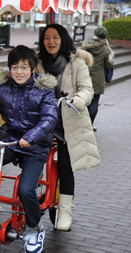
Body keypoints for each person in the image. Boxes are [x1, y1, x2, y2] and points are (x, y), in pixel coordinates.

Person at [0, 45, 58, 253]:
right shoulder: (4, 89)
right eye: (15, 67)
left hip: (35, 145)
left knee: (26, 189)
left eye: (24, 67)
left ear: (33, 69)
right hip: (10, 141)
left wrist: (31, 136)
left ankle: (33, 228)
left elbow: (49, 119)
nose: (19, 72)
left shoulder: (44, 90)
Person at [36, 23, 100, 231]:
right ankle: (32, 198)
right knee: (33, 159)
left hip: (67, 121)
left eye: (55, 37)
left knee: (65, 165)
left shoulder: (77, 63)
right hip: (43, 121)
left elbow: (87, 89)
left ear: (63, 39)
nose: (51, 41)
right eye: (46, 38)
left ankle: (65, 212)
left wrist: (79, 99)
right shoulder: (37, 63)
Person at [82, 25, 114, 127]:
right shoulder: (105, 49)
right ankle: (90, 125)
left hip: (84, 77)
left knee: (84, 101)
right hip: (98, 79)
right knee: (94, 102)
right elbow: (108, 65)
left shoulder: (85, 46)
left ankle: (83, 123)